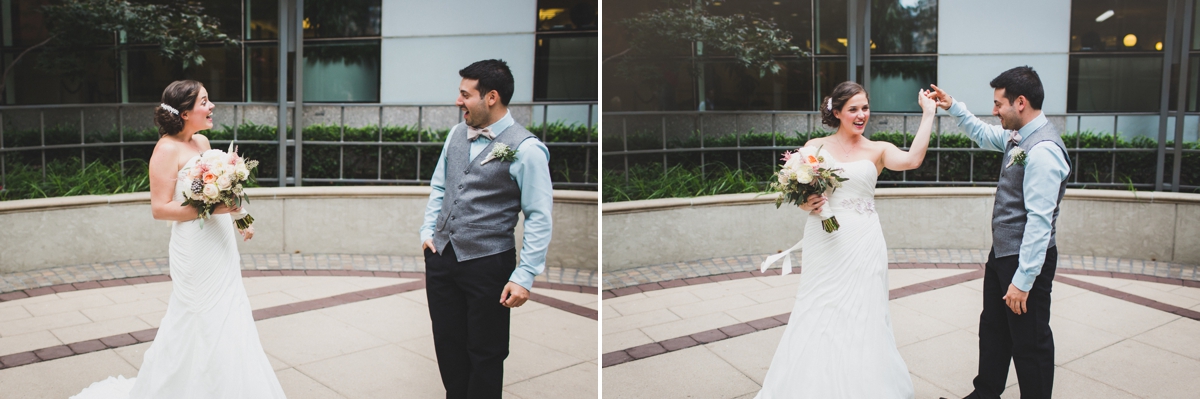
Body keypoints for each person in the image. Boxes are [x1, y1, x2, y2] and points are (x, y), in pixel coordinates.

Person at [71, 80, 285, 399]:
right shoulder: (165, 150)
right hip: (194, 248)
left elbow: (222, 190)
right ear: (185, 113)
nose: (211, 106)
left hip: (219, 240)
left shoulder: (202, 141)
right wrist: (211, 205)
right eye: (204, 102)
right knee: (198, 315)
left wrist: (242, 217)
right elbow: (161, 208)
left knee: (229, 312)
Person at [755, 81, 938, 398]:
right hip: (824, 239)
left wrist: (929, 114)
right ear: (836, 112)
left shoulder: (878, 149)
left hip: (864, 240)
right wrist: (805, 203)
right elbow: (797, 191)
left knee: (864, 310)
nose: (861, 115)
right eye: (853, 109)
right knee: (819, 306)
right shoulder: (815, 146)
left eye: (865, 108)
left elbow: (912, 160)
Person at [930, 66, 1070, 399]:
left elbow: (1039, 222)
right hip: (1004, 255)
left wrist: (1023, 280)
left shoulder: (1043, 151)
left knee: (1029, 343)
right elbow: (982, 133)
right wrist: (953, 107)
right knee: (993, 329)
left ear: (1020, 102)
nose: (994, 111)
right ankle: (985, 394)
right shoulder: (1018, 137)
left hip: (1024, 261)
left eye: (998, 104)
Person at [419, 59, 553, 399]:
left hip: (488, 264)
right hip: (443, 258)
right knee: (448, 347)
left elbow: (539, 215)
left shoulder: (527, 149)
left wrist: (524, 276)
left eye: (465, 94)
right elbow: (439, 187)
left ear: (491, 97)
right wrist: (427, 233)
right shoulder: (455, 134)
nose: (458, 101)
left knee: (486, 353)